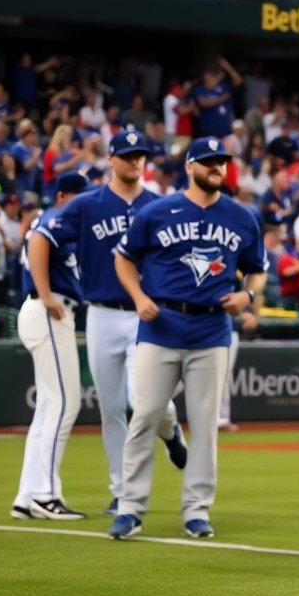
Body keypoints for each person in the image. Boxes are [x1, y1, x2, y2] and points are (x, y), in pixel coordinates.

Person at [108, 137, 266, 540]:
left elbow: (257, 269)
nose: (218, 168)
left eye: (222, 163)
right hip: (160, 323)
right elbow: (123, 257)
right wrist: (139, 296)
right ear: (191, 166)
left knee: (205, 423)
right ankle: (130, 507)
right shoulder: (156, 211)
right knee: (144, 414)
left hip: (212, 328)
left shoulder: (242, 216)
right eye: (210, 162)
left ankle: (197, 509)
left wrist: (247, 295)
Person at [50, 131, 186, 516]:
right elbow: (44, 236)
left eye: (141, 155)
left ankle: (170, 428)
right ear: (111, 159)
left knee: (145, 400)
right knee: (112, 409)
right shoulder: (86, 205)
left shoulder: (161, 206)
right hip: (102, 312)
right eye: (127, 155)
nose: (135, 161)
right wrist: (44, 290)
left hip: (149, 313)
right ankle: (121, 491)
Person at [11, 172, 88, 521]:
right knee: (63, 402)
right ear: (61, 195)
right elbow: (40, 239)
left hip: (47, 309)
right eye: (78, 196)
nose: (83, 204)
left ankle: (28, 495)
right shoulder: (55, 217)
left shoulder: (68, 225)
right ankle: (46, 495)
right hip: (47, 308)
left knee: (48, 407)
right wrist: (45, 295)